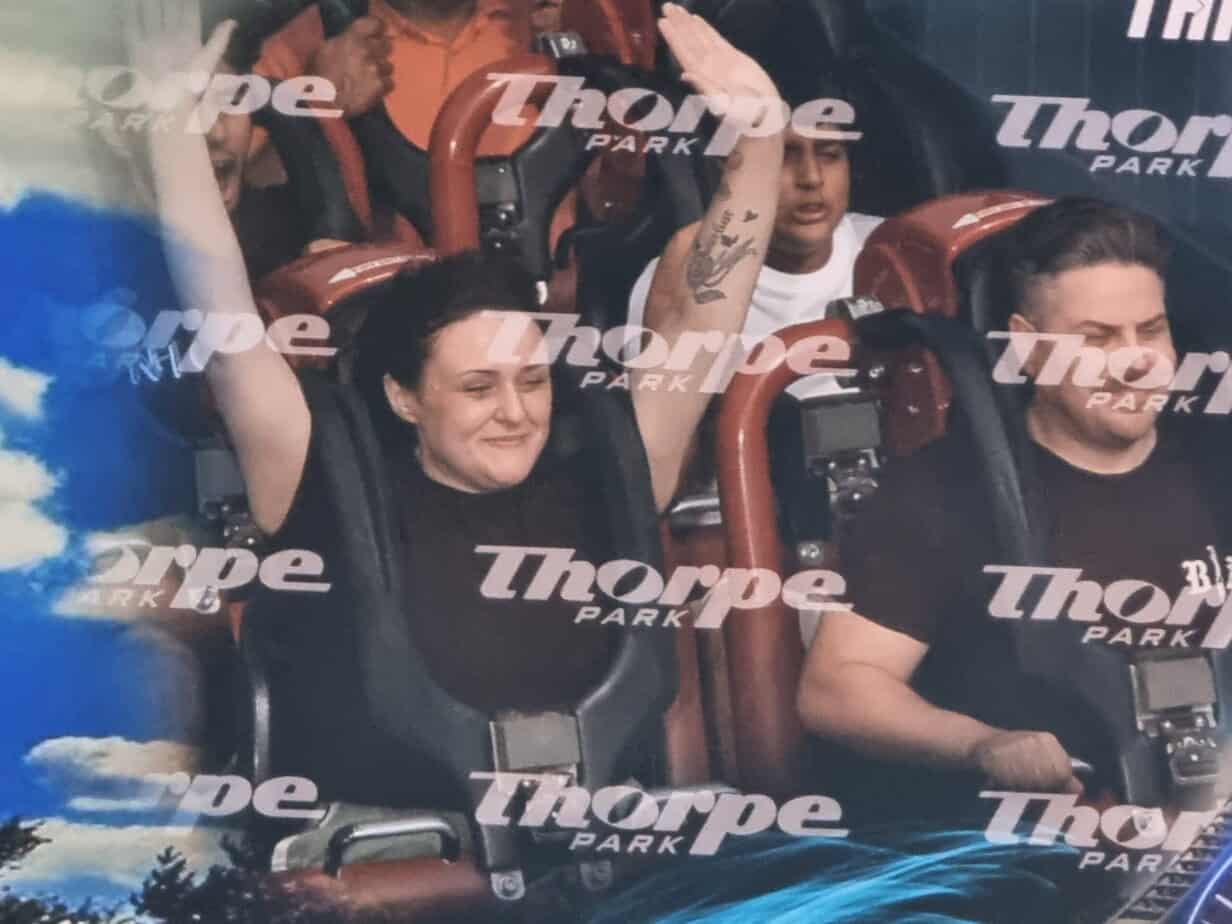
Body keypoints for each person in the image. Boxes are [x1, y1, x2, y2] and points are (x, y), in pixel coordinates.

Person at [129, 0, 785, 807]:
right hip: (394, 856)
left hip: (596, 851)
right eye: (477, 388)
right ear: (404, 399)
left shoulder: (611, 465)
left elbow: (705, 319)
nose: (516, 411)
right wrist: (171, 142)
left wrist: (759, 145)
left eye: (533, 379)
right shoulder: (326, 476)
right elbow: (223, 321)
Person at [796, 197, 1231, 822]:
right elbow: (836, 687)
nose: (1139, 362)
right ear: (1028, 346)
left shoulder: (1218, 459)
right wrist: (983, 744)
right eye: (1098, 338)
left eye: (1151, 330)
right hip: (1052, 850)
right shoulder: (942, 490)